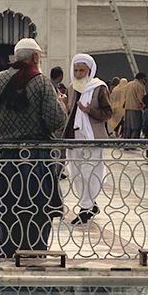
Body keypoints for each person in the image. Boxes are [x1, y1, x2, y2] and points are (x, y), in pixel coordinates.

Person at [0, 38, 64, 256]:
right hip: (37, 158)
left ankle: (7, 252)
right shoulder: (41, 82)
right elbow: (56, 121)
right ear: (36, 57)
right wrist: (61, 103)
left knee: (7, 209)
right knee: (38, 209)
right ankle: (34, 254)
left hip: (5, 158)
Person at [63, 53, 111, 225]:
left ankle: (85, 208)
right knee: (76, 173)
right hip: (74, 137)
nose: (78, 74)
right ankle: (90, 204)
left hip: (92, 137)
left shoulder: (99, 88)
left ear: (90, 70)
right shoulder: (71, 87)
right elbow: (71, 112)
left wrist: (89, 110)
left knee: (89, 173)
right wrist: (66, 106)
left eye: (82, 70)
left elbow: (107, 113)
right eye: (76, 70)